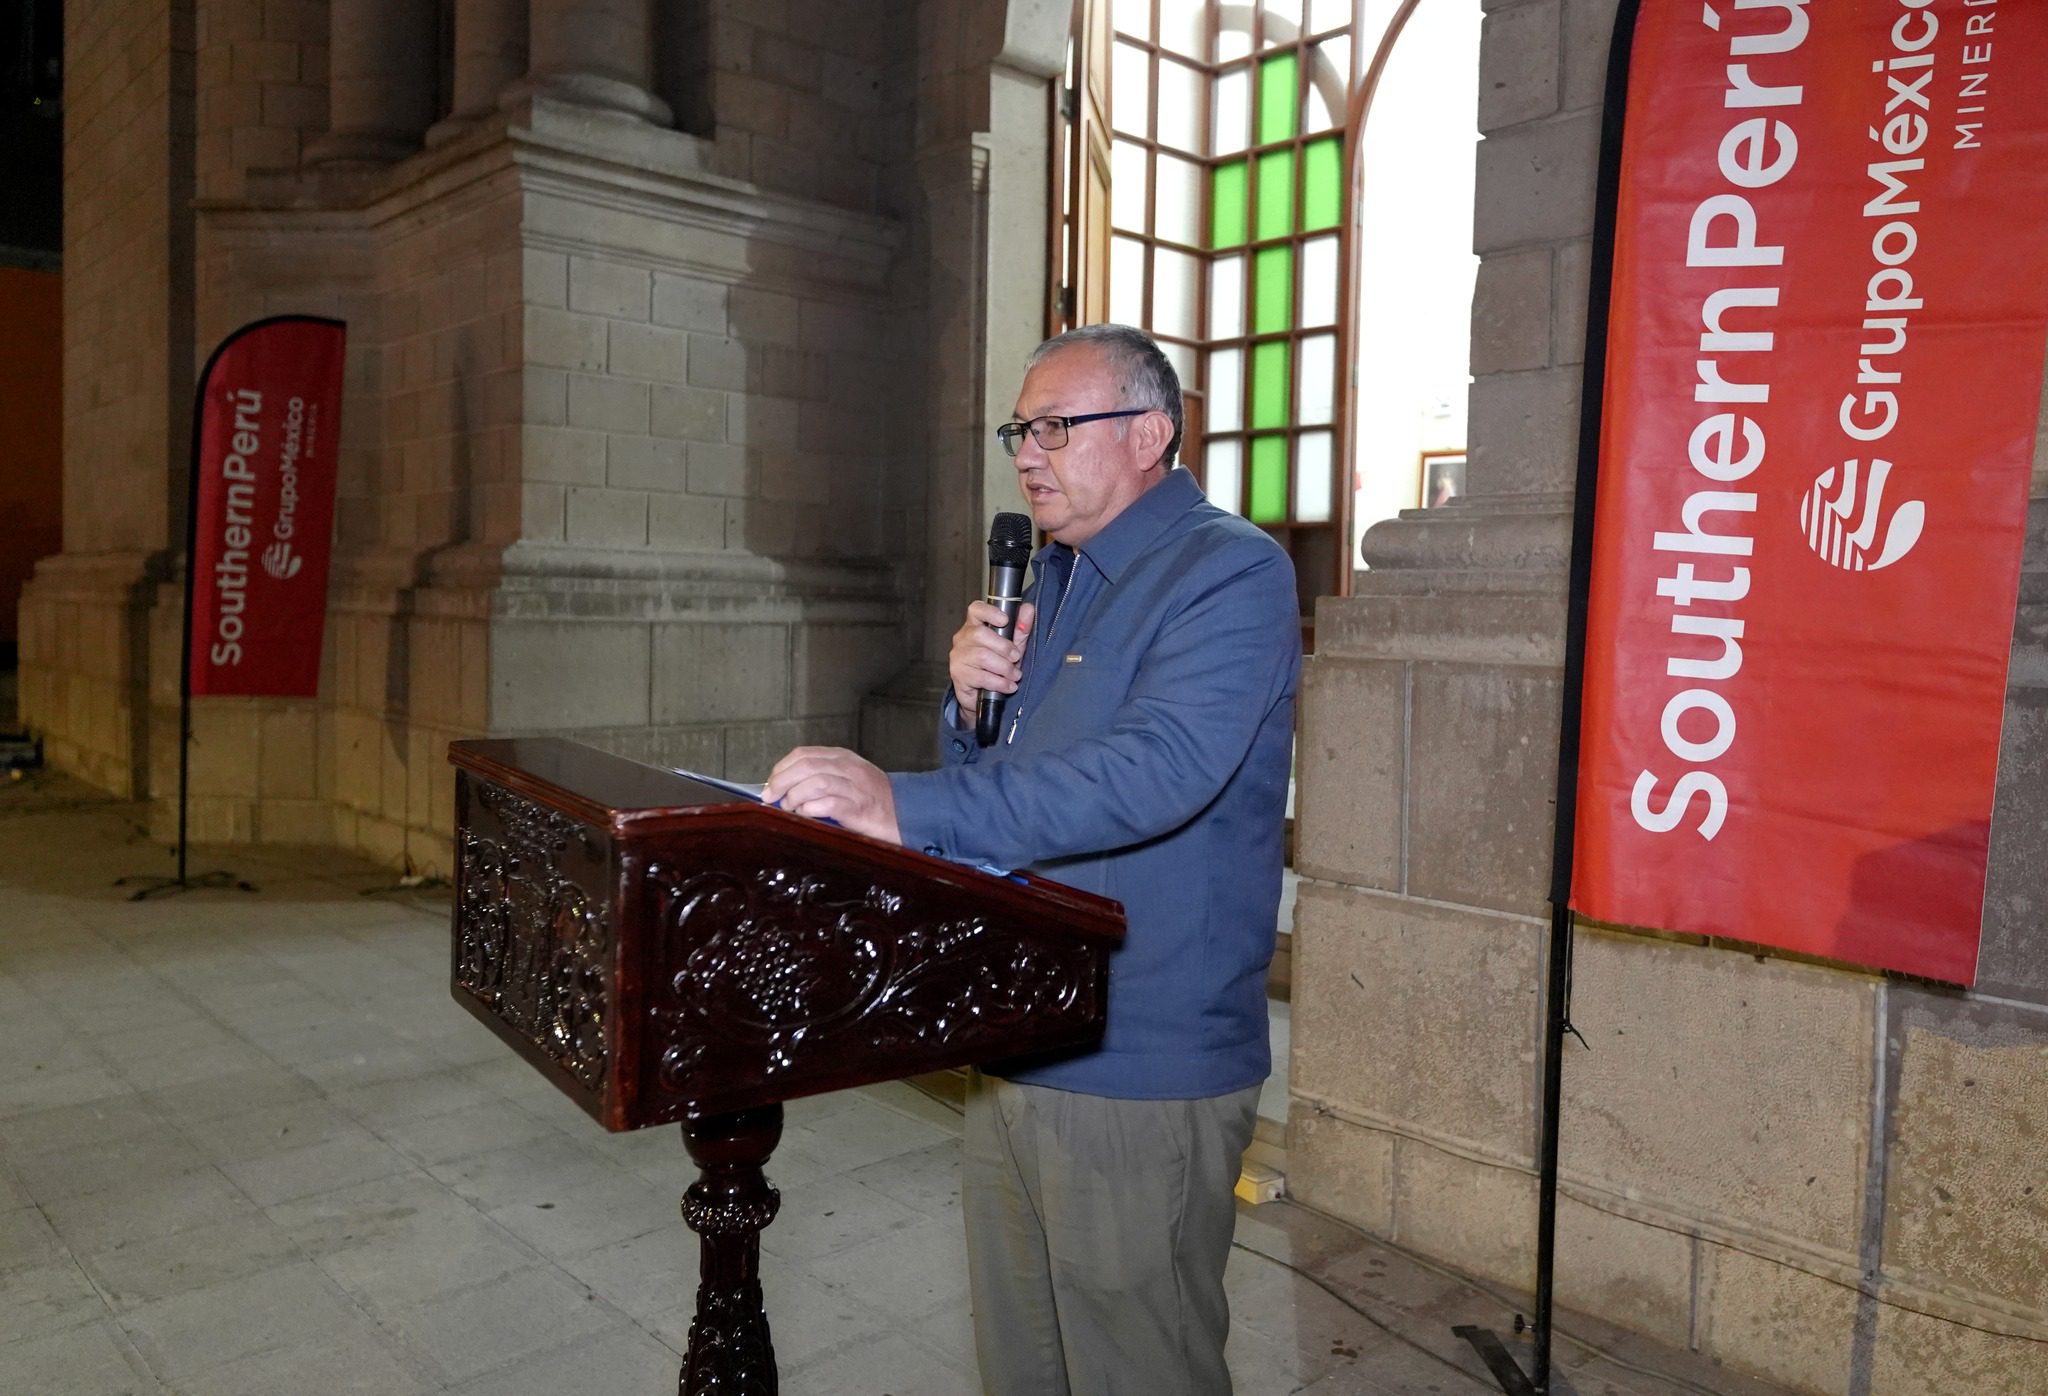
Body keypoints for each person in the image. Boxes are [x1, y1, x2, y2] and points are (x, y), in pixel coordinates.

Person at [763, 323, 1300, 1396]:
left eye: (1056, 426)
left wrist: (901, 803)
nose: (1026, 451)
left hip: (1138, 1053)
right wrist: (968, 709)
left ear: (1150, 432)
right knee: (1022, 1360)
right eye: (1020, 427)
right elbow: (1017, 770)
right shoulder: (1049, 578)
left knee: (1135, 1364)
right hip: (1015, 1021)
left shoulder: (1228, 572)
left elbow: (1157, 771)